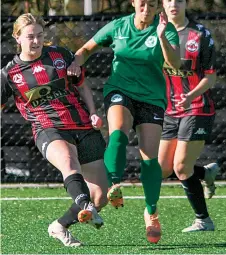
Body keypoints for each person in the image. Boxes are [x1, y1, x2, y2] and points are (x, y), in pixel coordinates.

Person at [67, 0, 181, 243]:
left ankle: (151, 211)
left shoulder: (165, 28)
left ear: (158, 7)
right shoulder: (118, 26)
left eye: (152, 5)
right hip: (120, 90)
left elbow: (175, 63)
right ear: (133, 2)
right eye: (142, 3)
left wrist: (161, 37)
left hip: (152, 97)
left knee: (150, 158)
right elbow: (86, 49)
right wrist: (75, 63)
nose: (146, 9)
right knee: (118, 132)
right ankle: (114, 185)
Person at [1, 13, 109, 247]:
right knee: (69, 164)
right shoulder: (9, 74)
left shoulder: (61, 55)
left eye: (40, 35)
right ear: (17, 38)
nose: (36, 41)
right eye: (30, 37)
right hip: (48, 128)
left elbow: (83, 86)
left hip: (82, 125)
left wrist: (93, 112)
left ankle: (60, 226)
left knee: (101, 196)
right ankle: (85, 205)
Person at [159, 0, 219, 232]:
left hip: (197, 107)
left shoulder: (200, 34)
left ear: (185, 3)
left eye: (179, 0)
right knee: (164, 169)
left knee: (182, 167)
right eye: (168, 0)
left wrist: (190, 94)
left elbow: (211, 78)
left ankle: (203, 220)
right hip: (169, 110)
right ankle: (205, 173)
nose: (173, 4)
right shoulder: (155, 31)